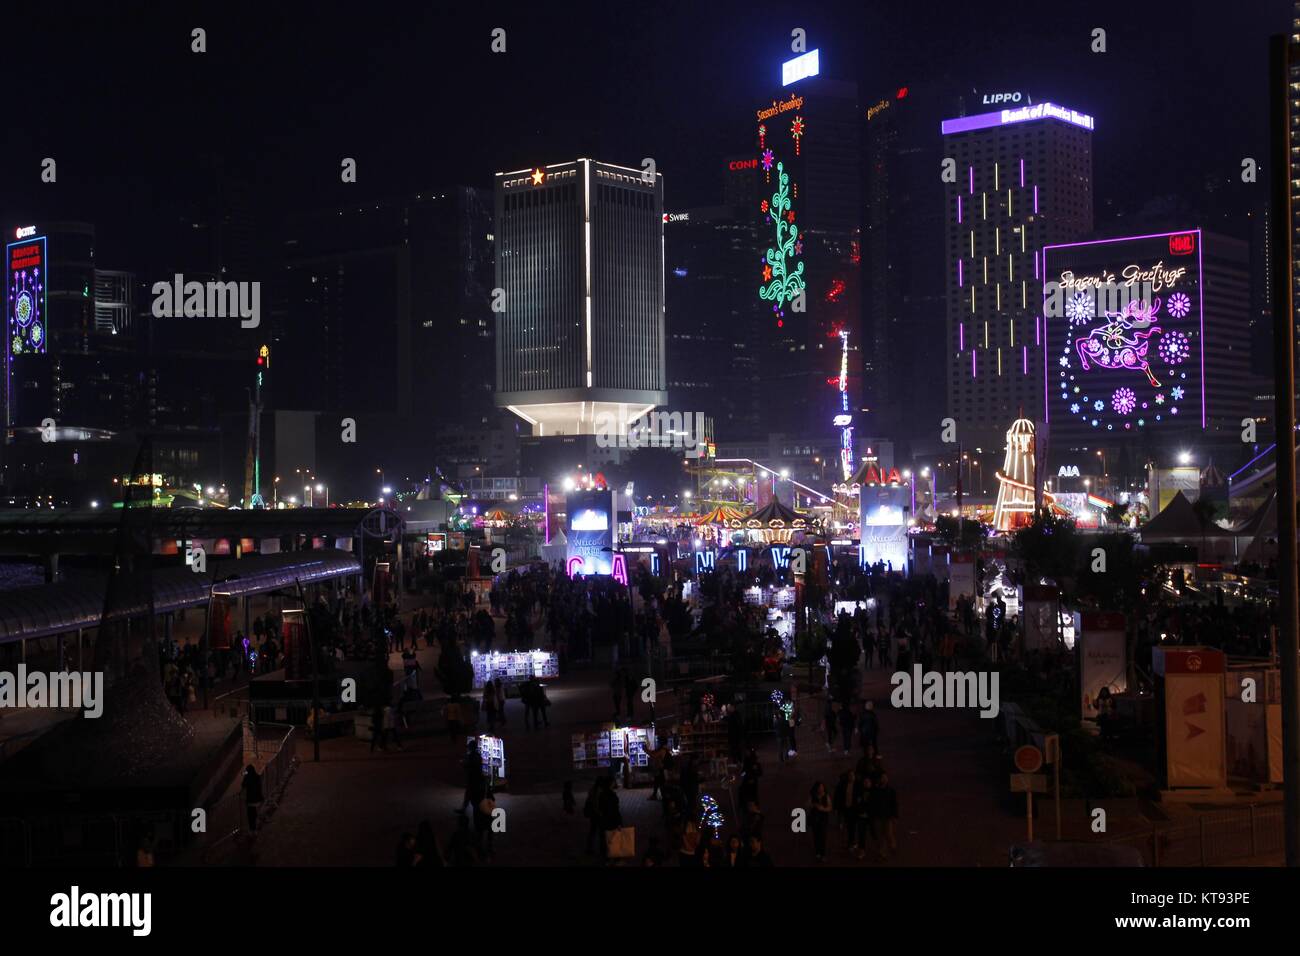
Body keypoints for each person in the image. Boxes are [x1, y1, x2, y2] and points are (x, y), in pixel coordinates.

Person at [870, 772, 899, 860]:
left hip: (887, 816)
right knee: (880, 835)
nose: (884, 779)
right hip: (878, 816)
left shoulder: (891, 790)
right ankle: (882, 853)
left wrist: (895, 816)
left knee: (888, 834)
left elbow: (894, 803)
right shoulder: (875, 791)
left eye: (885, 778)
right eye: (882, 778)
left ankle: (892, 845)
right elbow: (872, 803)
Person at [809, 781, 832, 863]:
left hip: (823, 819)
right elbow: (807, 804)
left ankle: (823, 854)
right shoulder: (813, 796)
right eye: (819, 787)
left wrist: (823, 809)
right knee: (816, 836)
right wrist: (813, 805)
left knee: (823, 836)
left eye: (822, 787)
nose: (821, 789)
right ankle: (817, 852)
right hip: (814, 819)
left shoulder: (826, 796)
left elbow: (830, 807)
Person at [241, 765, 264, 833]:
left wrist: (245, 776)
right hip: (257, 799)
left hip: (251, 801)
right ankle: (255, 826)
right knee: (254, 813)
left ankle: (253, 829)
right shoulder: (257, 777)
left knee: (250, 815)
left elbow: (243, 785)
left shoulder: (247, 778)